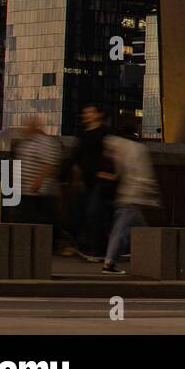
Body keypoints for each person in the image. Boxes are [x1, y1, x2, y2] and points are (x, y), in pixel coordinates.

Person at [101, 115, 161, 275]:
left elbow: (118, 169)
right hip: (134, 195)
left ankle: (145, 256)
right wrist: (152, 195)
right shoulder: (138, 149)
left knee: (138, 229)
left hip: (126, 193)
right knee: (124, 230)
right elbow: (143, 173)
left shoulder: (117, 145)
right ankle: (109, 262)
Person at [63, 104, 113, 261]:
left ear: (99, 114)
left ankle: (99, 250)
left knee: (94, 213)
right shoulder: (83, 134)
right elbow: (76, 157)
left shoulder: (105, 133)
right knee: (84, 213)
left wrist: (108, 173)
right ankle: (91, 247)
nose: (86, 115)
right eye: (85, 112)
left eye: (90, 112)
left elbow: (113, 154)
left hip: (100, 181)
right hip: (87, 181)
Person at [13, 115, 62, 248]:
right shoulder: (26, 142)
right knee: (26, 218)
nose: (26, 128)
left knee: (40, 219)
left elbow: (50, 163)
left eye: (29, 125)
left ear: (35, 126)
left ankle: (45, 245)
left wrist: (38, 182)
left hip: (40, 191)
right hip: (26, 189)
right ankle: (29, 244)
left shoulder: (45, 142)